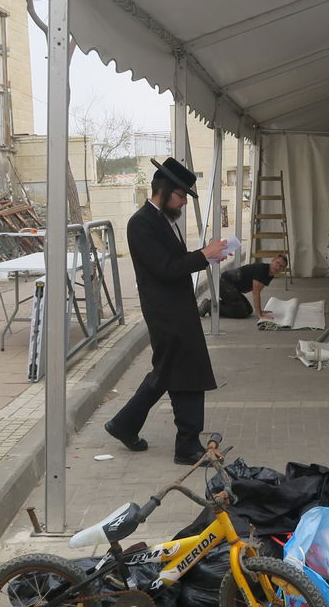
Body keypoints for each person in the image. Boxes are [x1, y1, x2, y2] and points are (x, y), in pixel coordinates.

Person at [104, 157, 226, 464]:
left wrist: (206, 257)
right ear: (166, 190)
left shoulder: (162, 220)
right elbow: (165, 269)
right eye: (181, 195)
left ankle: (123, 424)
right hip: (165, 314)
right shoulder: (141, 223)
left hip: (176, 308)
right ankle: (186, 445)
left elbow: (174, 259)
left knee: (168, 372)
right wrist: (202, 256)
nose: (184, 202)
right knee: (187, 373)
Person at [211, 254, 288, 319]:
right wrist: (259, 314)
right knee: (241, 313)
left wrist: (260, 310)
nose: (278, 267)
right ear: (273, 260)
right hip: (223, 283)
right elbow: (256, 292)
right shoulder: (262, 269)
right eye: (277, 263)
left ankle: (219, 304)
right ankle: (210, 305)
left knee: (249, 310)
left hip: (233, 288)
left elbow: (258, 291)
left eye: (281, 267)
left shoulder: (270, 275)